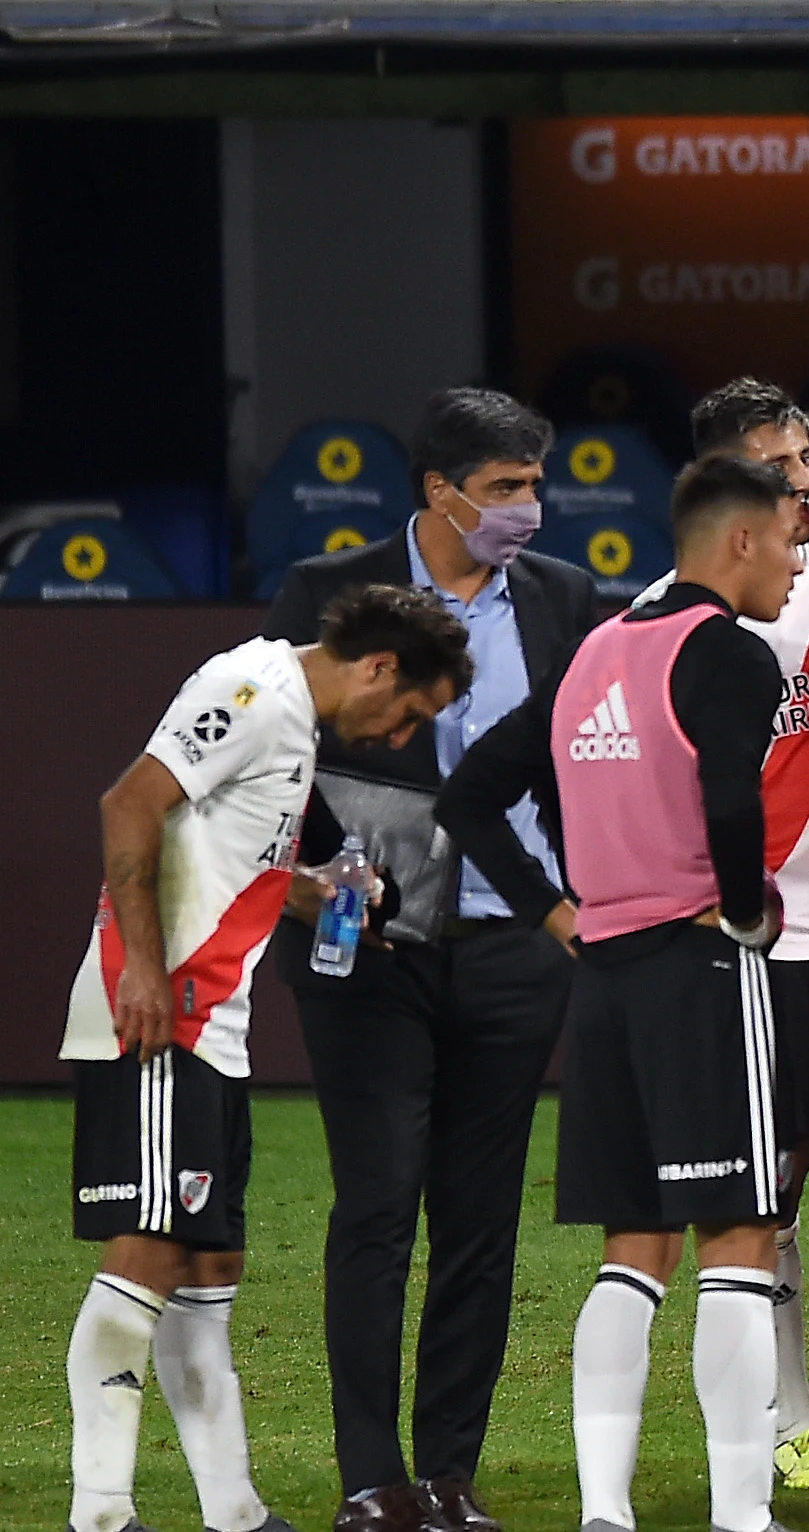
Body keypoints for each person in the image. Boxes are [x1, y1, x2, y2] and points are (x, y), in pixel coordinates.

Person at [254, 389, 598, 1532]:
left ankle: (450, 1473)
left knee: (480, 1215)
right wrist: (308, 884)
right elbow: (270, 748)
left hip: (511, 943)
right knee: (377, 1202)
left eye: (535, 484)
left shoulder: (562, 599)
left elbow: (573, 765)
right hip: (366, 943)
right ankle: (370, 1477)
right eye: (506, 488)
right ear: (439, 492)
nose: (529, 509)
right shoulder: (321, 590)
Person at [65, 585, 473, 1532]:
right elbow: (130, 803)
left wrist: (322, 890)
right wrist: (145, 976)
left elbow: (227, 855)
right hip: (164, 1010)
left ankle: (236, 1513)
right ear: (378, 667)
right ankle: (100, 1512)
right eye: (409, 711)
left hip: (214, 1022)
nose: (398, 733)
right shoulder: (253, 692)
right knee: (149, 1256)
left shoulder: (293, 728)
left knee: (210, 1269)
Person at [632, 378, 809, 1495]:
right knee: (774, 1183)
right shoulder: (682, 606)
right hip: (763, 938)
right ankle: (792, 1414)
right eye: (782, 463)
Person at [547, 454, 805, 1532]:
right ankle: (741, 1510)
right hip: (700, 972)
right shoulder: (728, 652)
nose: (799, 565)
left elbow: (490, 793)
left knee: (631, 1249)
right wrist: (747, 908)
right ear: (739, 539)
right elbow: (729, 799)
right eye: (791, 541)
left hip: (602, 977)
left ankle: (605, 1508)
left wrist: (571, 902)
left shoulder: (594, 650)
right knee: (740, 1238)